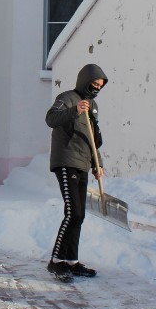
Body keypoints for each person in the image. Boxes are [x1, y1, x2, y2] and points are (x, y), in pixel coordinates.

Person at [44, 64, 109, 280]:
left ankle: (71, 261)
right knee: (73, 212)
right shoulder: (69, 98)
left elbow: (92, 140)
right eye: (94, 84)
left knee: (79, 215)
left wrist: (97, 163)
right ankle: (56, 261)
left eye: (100, 86)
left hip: (82, 163)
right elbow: (51, 119)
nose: (97, 89)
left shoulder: (93, 106)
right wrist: (74, 110)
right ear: (85, 81)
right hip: (66, 160)